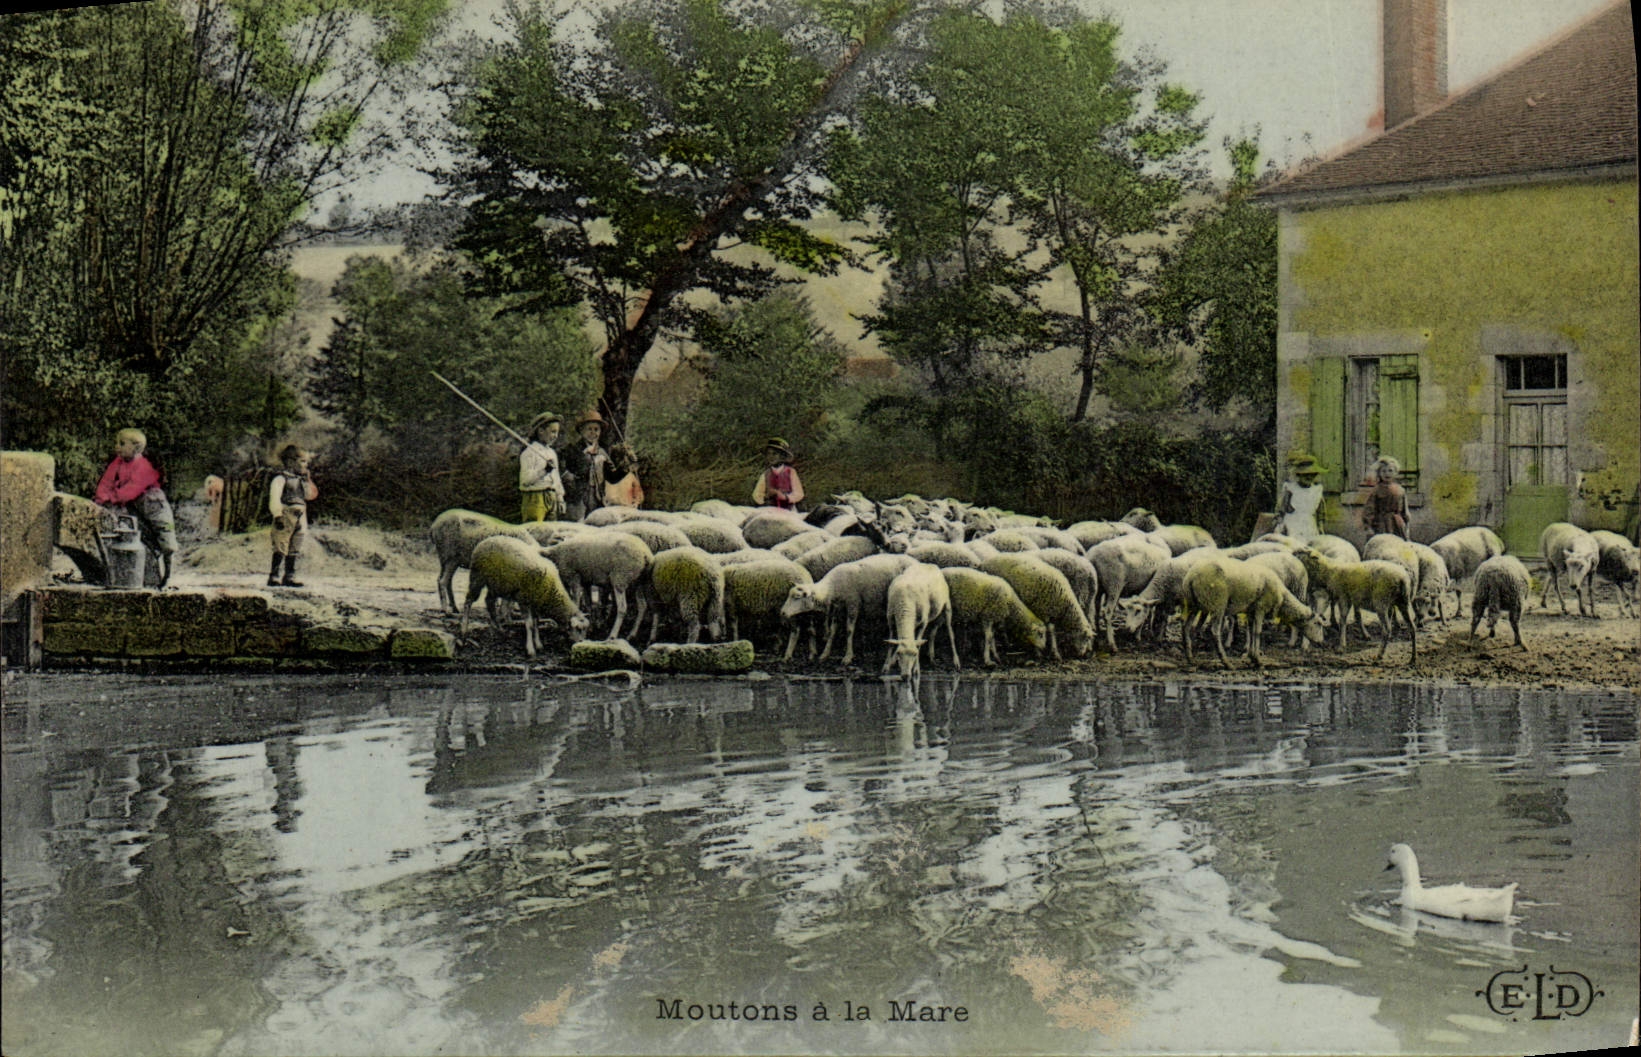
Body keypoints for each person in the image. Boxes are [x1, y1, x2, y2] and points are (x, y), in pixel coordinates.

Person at [93, 428, 179, 587]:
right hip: (133, 504)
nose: (117, 447)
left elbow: (132, 489)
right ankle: (146, 574)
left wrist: (112, 497)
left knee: (165, 531)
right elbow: (106, 482)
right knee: (137, 534)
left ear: (137, 448)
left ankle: (168, 565)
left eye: (122, 443)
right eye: (117, 443)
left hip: (152, 503)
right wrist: (101, 499)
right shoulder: (117, 462)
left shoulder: (143, 466)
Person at [267, 444, 319, 587]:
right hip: (286, 513)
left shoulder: (301, 480)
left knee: (296, 544)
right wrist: (277, 514)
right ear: (290, 462)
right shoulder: (281, 478)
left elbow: (310, 496)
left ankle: (289, 576)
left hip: (301, 514)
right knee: (281, 543)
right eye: (302, 461)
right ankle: (274, 575)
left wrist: (307, 480)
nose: (305, 465)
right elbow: (275, 496)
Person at [561, 410, 610, 521]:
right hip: (579, 495)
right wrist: (569, 477)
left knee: (597, 521)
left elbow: (610, 473)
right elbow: (563, 469)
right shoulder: (573, 450)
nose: (593, 433)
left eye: (596, 429)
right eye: (589, 429)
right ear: (582, 431)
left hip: (598, 495)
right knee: (578, 522)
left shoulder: (602, 452)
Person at [518, 412, 565, 522]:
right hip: (535, 497)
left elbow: (556, 478)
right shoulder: (529, 453)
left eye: (557, 432)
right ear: (541, 431)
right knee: (536, 530)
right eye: (553, 432)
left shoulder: (552, 453)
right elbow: (525, 480)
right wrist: (544, 471)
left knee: (551, 533)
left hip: (551, 496)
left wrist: (560, 498)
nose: (556, 436)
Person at [1273, 453, 1327, 543]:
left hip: (1309, 524)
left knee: (1310, 546)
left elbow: (1321, 512)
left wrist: (1320, 526)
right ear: (1298, 475)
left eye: (1312, 474)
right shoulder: (1291, 489)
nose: (1309, 477)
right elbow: (1281, 508)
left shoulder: (1316, 491)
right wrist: (1280, 523)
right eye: (1305, 474)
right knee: (1292, 544)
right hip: (1292, 523)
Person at [1360, 455, 1409, 539]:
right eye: (1384, 471)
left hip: (1397, 524)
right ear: (1379, 473)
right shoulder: (1376, 490)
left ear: (1396, 472)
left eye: (1390, 471)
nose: (1387, 474)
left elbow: (1405, 510)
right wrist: (1368, 526)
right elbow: (1369, 509)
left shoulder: (1400, 490)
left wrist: (1406, 524)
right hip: (1381, 524)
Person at [753, 437, 803, 511]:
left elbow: (799, 493)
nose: (771, 457)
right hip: (770, 510)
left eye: (774, 454)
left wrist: (785, 497)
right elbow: (756, 494)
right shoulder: (766, 474)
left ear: (782, 456)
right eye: (769, 454)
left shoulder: (790, 472)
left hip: (788, 511)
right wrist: (765, 497)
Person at [602, 442, 645, 508]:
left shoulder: (629, 476)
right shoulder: (629, 476)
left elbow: (639, 497)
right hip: (612, 509)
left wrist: (635, 503)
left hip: (624, 508)